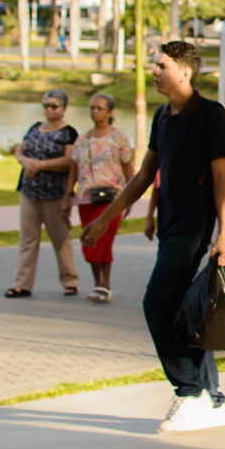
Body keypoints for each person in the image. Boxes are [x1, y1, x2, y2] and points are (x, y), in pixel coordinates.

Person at [81, 41, 225, 433]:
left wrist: (223, 236)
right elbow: (145, 176)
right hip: (169, 225)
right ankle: (212, 398)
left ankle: (190, 391)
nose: (154, 71)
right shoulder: (163, 117)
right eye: (154, 65)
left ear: (184, 71)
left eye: (161, 65)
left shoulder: (210, 115)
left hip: (193, 227)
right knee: (184, 310)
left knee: (157, 303)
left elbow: (221, 179)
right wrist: (105, 220)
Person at [5, 89, 79, 298]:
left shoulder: (68, 133)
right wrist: (25, 161)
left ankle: (70, 280)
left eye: (54, 106)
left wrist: (42, 165)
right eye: (46, 105)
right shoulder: (35, 128)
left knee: (60, 238)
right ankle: (22, 284)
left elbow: (69, 160)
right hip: (30, 192)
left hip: (54, 194)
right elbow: (20, 149)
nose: (49, 110)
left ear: (63, 109)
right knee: (27, 239)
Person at [66, 93, 134, 303]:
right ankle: (97, 283)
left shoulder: (119, 137)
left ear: (110, 112)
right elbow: (74, 168)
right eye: (92, 108)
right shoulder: (82, 139)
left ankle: (105, 285)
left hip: (112, 198)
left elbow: (127, 167)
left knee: (104, 239)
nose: (95, 112)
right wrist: (68, 193)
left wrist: (130, 197)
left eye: (100, 108)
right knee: (89, 241)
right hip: (87, 197)